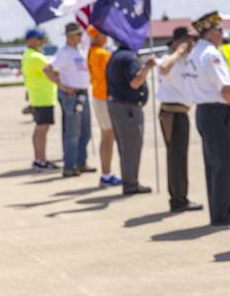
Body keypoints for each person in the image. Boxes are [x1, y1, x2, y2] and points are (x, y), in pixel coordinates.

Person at [184, 11, 230, 226]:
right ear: (211, 32)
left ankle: (218, 210)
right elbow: (224, 89)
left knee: (213, 165)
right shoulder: (211, 54)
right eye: (220, 30)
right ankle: (223, 212)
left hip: (205, 111)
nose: (222, 33)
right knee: (225, 164)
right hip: (219, 113)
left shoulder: (196, 52)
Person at [156, 26, 203, 212]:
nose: (191, 44)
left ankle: (180, 195)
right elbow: (164, 68)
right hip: (171, 113)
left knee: (180, 157)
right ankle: (178, 199)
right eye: (187, 40)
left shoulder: (186, 60)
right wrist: (178, 51)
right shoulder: (170, 58)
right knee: (176, 157)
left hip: (182, 112)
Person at [43, 22, 96, 178]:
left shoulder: (77, 51)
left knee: (85, 131)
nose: (81, 37)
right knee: (73, 132)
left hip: (83, 94)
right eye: (78, 34)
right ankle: (70, 166)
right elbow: (47, 69)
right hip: (71, 96)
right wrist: (63, 86)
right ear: (71, 36)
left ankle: (81, 162)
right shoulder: (64, 52)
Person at [106, 38, 154, 195]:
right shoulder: (127, 57)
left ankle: (130, 181)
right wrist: (147, 67)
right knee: (131, 147)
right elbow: (135, 82)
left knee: (127, 147)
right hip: (127, 108)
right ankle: (131, 184)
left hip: (119, 106)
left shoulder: (117, 55)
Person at [86, 26, 123, 187]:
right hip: (104, 96)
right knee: (108, 136)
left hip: (98, 95)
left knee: (106, 135)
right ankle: (106, 174)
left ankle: (106, 173)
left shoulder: (92, 52)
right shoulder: (102, 54)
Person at [21, 29, 59, 171]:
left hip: (38, 96)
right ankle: (41, 160)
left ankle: (39, 159)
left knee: (41, 128)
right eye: (38, 38)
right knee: (42, 128)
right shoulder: (36, 56)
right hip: (43, 97)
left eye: (41, 38)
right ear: (30, 40)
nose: (41, 41)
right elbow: (53, 70)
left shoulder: (28, 54)